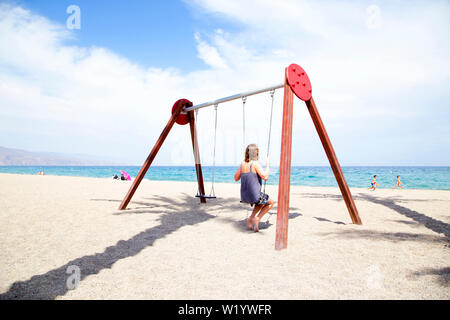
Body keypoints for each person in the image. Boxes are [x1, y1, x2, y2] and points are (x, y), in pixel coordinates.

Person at [234, 144, 274, 232]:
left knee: (261, 201)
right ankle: (257, 218)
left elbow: (236, 178)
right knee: (270, 203)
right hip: (255, 196)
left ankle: (251, 218)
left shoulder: (241, 165)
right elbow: (265, 177)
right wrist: (268, 165)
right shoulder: (255, 164)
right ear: (256, 153)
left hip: (244, 197)